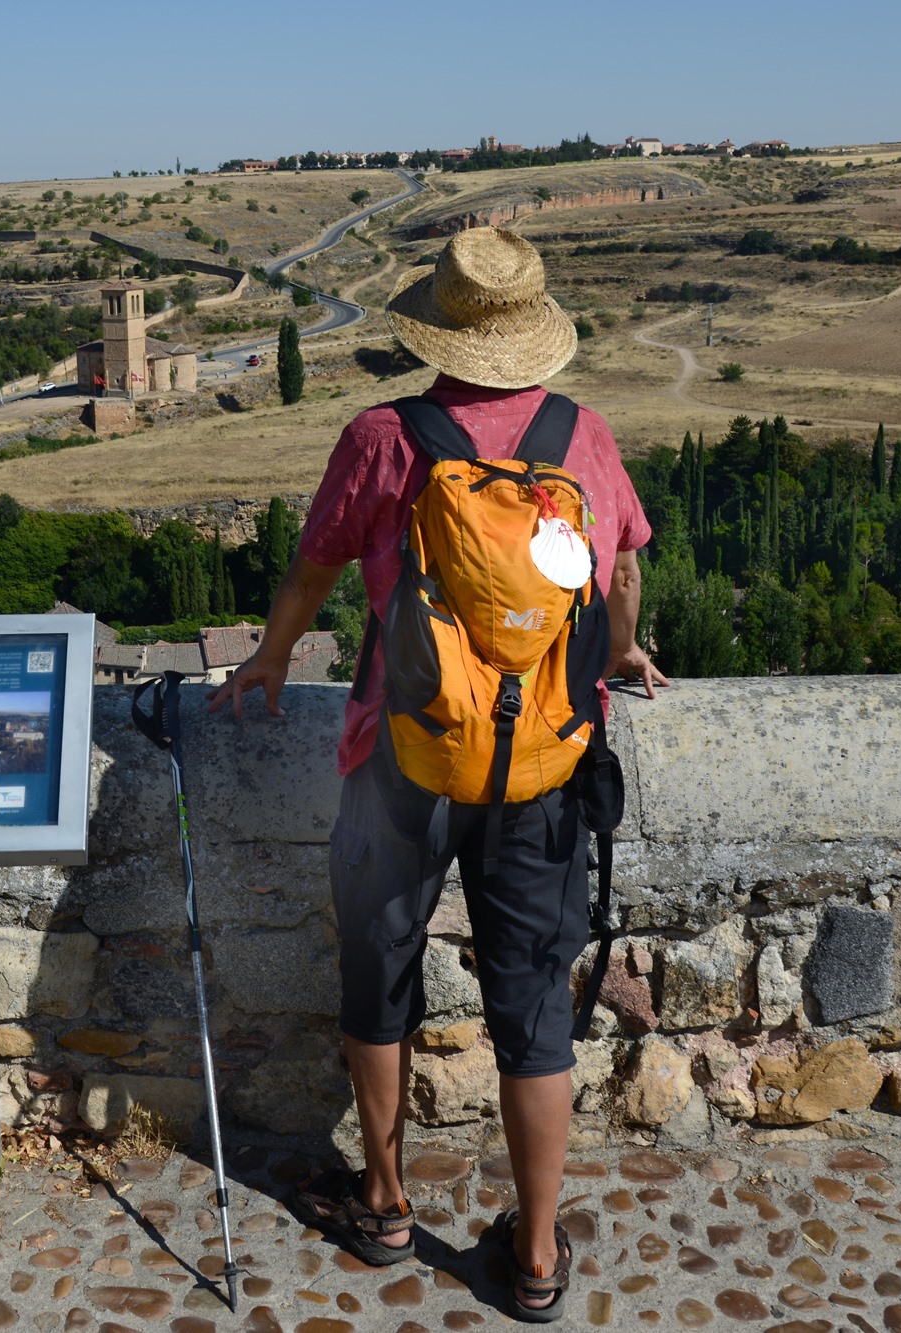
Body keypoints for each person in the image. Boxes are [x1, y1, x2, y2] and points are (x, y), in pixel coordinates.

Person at [208, 227, 667, 1321]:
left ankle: (381, 1199)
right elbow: (622, 572)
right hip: (544, 763)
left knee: (379, 979)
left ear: (439, 326)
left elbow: (314, 564)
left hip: (397, 760)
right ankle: (540, 1254)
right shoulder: (581, 436)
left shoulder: (382, 436)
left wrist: (271, 658)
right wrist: (616, 651)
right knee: (530, 1008)